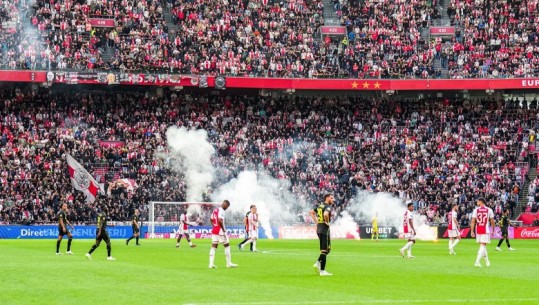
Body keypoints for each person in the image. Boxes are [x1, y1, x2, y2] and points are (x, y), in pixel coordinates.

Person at [310, 194, 334, 276]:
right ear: (327, 198)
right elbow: (325, 214)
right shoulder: (327, 207)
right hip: (324, 229)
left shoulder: (320, 206)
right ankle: (322, 270)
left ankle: (318, 263)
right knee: (324, 250)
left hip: (319, 228)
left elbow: (311, 212)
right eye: (331, 198)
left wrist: (317, 223)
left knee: (327, 249)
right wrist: (327, 222)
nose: (333, 199)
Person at [209, 200, 237, 268]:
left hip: (215, 230)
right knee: (227, 245)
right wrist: (223, 229)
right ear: (225, 205)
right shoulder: (221, 211)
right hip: (220, 231)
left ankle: (211, 264)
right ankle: (228, 263)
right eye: (227, 206)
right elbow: (220, 220)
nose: (227, 208)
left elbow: (211, 220)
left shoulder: (215, 210)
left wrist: (215, 226)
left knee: (213, 247)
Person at [470, 197, 495, 267]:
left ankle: (487, 262)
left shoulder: (476, 210)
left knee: (483, 246)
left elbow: (472, 221)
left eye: (478, 201)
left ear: (481, 201)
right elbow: (492, 221)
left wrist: (472, 231)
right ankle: (477, 261)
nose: (477, 202)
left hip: (478, 229)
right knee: (483, 245)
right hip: (485, 229)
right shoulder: (489, 210)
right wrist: (493, 230)